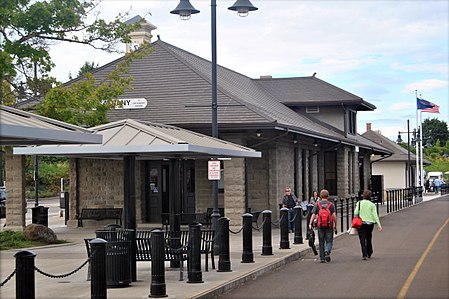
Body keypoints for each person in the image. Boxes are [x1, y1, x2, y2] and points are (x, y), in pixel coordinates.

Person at [308, 189, 337, 263]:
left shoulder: (318, 205)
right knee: (329, 240)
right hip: (329, 225)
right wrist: (335, 225)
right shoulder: (331, 205)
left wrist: (310, 223)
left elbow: (313, 215)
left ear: (320, 196)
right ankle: (327, 250)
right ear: (328, 196)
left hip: (320, 226)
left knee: (321, 241)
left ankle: (322, 258)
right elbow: (334, 216)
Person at [354, 190, 383, 260]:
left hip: (361, 223)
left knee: (362, 238)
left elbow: (356, 213)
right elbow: (375, 215)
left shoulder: (359, 203)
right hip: (370, 223)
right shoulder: (372, 205)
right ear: (370, 196)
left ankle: (364, 254)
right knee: (369, 237)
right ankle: (369, 252)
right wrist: (379, 225)